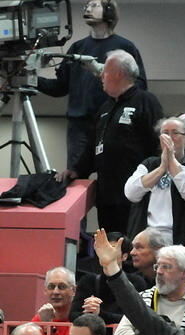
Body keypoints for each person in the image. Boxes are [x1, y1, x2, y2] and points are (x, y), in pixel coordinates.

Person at [36, 0, 146, 171]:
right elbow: (59, 87)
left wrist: (103, 71)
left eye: (94, 5)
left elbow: (139, 86)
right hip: (79, 125)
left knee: (112, 175)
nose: (87, 7)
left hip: (112, 122)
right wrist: (30, 79)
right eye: (86, 5)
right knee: (75, 176)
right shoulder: (77, 47)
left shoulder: (125, 47)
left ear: (108, 11)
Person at [63, 50, 161, 235]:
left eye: (105, 71)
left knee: (133, 247)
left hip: (137, 194)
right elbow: (93, 145)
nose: (101, 75)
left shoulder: (145, 101)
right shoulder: (105, 107)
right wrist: (76, 169)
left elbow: (158, 145)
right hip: (107, 195)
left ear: (118, 73)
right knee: (108, 245)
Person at [124, 116, 185, 244]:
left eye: (175, 133)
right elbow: (131, 193)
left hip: (181, 239)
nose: (169, 138)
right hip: (147, 237)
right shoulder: (148, 165)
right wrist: (161, 169)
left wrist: (172, 161)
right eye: (165, 133)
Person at [32, 267, 76, 335]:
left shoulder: (80, 321)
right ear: (45, 291)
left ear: (73, 290)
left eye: (61, 286)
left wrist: (49, 328)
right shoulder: (38, 321)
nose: (55, 292)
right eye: (51, 286)